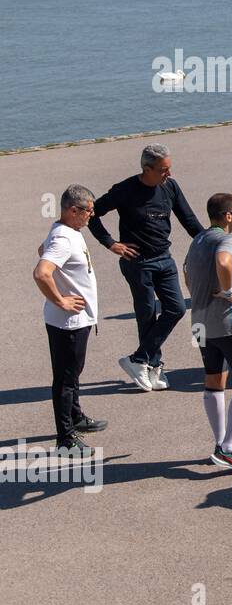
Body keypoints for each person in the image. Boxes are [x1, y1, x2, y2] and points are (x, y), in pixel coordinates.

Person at [88, 143, 204, 392]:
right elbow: (92, 213)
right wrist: (111, 244)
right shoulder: (125, 190)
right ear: (147, 169)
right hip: (137, 263)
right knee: (147, 313)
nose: (169, 174)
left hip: (164, 258)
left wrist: (211, 242)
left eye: (169, 169)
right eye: (163, 170)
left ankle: (139, 359)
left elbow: (189, 220)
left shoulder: (170, 187)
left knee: (176, 308)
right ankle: (152, 365)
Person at [183, 193, 232, 473]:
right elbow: (225, 262)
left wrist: (201, 294)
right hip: (226, 322)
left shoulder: (198, 239)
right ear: (227, 216)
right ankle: (228, 448)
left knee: (215, 379)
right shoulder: (226, 239)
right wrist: (227, 291)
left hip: (199, 321)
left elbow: (187, 273)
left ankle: (220, 442)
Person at [34, 184, 107, 456]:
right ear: (73, 210)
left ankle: (76, 416)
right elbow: (42, 273)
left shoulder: (66, 232)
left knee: (73, 374)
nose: (92, 215)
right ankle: (65, 438)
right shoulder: (63, 238)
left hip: (77, 321)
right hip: (68, 323)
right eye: (88, 210)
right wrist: (61, 300)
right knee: (65, 380)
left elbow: (42, 249)